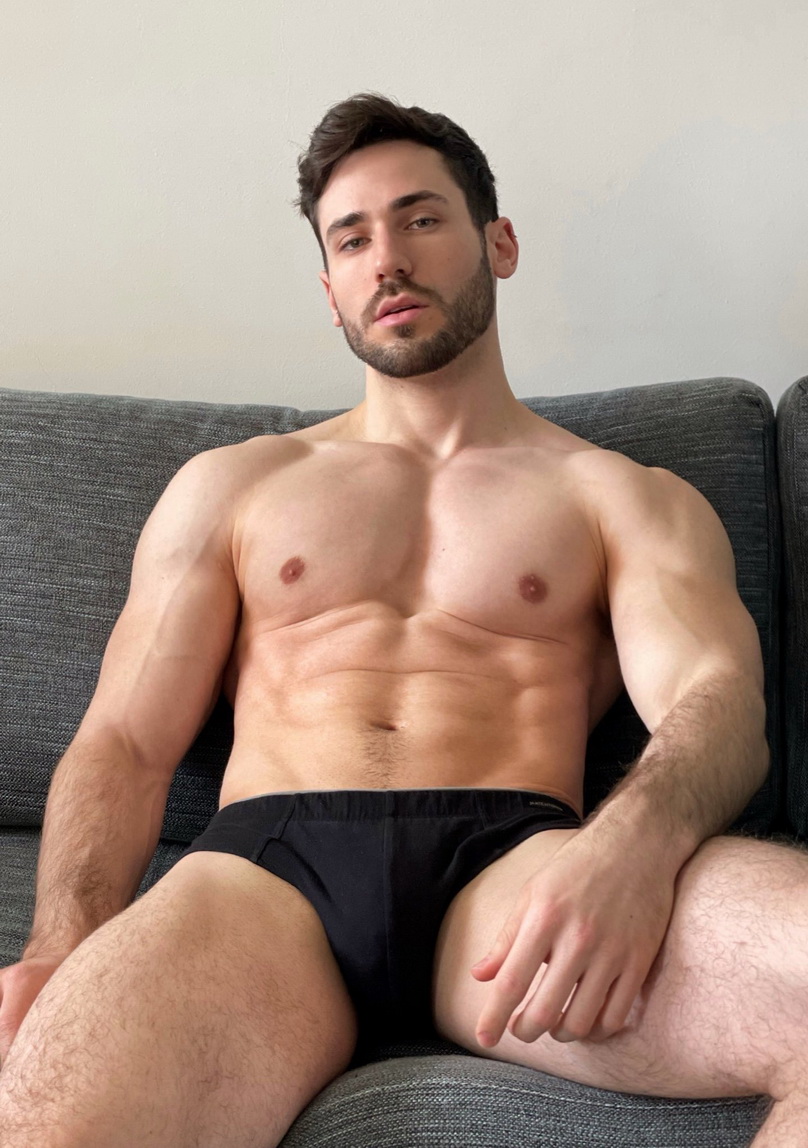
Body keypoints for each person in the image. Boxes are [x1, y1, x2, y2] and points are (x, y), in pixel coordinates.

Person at [0, 91, 801, 1148]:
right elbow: (124, 742)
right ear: (329, 290)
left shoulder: (618, 495)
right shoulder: (234, 486)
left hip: (513, 871)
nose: (387, 258)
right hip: (261, 882)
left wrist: (635, 848)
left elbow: (718, 701)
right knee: (52, 1112)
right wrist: (60, 945)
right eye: (352, 238)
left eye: (421, 218)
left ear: (498, 243)